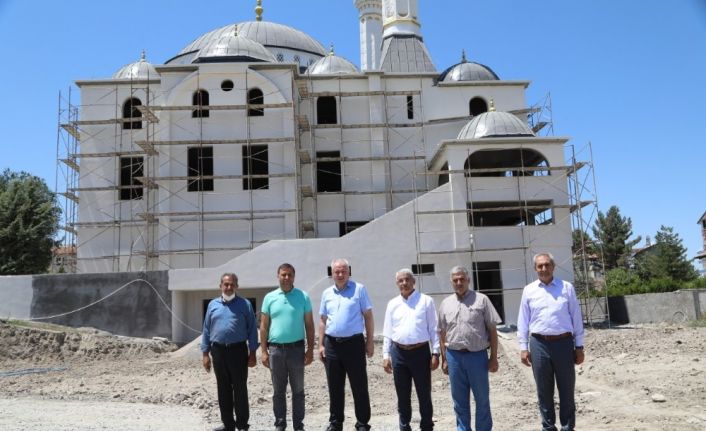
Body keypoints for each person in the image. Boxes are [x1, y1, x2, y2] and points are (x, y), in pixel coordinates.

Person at [517, 253, 585, 431]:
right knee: (544, 391)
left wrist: (579, 346)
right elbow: (523, 321)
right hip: (539, 344)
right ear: (535, 269)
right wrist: (523, 347)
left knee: (567, 389)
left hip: (564, 343)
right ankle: (548, 427)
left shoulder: (566, 288)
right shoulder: (529, 290)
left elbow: (576, 318)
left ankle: (567, 427)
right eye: (540, 266)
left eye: (547, 265)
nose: (544, 269)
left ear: (553, 267)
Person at [438, 266, 501, 431]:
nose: (459, 283)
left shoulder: (482, 300)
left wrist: (493, 357)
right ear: (451, 282)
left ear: (468, 280)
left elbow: (492, 330)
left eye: (462, 279)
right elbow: (442, 333)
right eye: (455, 280)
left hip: (477, 357)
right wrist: (444, 359)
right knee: (459, 402)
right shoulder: (445, 303)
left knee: (482, 400)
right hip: (454, 357)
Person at [318, 258, 374, 431]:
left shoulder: (359, 289)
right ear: (332, 273)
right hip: (332, 345)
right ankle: (336, 423)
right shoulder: (327, 293)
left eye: (343, 271)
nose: (340, 274)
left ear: (349, 272)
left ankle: (362, 423)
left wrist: (370, 341)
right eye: (337, 271)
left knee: (359, 385)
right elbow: (323, 320)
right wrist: (320, 345)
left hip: (354, 344)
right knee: (334, 386)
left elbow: (368, 316)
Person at [382, 268, 440, 431]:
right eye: (400, 280)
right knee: (402, 394)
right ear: (397, 283)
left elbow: (434, 329)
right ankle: (404, 426)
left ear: (413, 281)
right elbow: (388, 331)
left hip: (420, 353)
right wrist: (386, 355)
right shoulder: (392, 304)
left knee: (424, 393)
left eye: (407, 279)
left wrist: (436, 353)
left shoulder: (426, 301)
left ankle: (426, 426)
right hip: (398, 353)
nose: (404, 283)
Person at [260, 263, 315, 431]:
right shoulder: (269, 298)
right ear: (278, 276)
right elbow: (264, 326)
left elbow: (309, 324)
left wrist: (310, 350)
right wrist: (263, 351)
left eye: (290, 274)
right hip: (275, 351)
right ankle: (280, 423)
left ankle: (298, 425)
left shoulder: (303, 296)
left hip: (297, 350)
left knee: (298, 390)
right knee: (278, 391)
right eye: (283, 274)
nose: (286, 278)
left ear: (294, 277)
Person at [201, 272, 258, 431]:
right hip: (218, 351)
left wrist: (253, 353)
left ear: (236, 286)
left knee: (240, 388)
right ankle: (228, 424)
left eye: (232, 284)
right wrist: (205, 354)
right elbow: (206, 329)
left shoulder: (245, 304)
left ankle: (242, 424)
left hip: (238, 351)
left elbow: (252, 329)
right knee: (223, 388)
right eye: (226, 284)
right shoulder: (212, 305)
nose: (229, 287)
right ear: (220, 286)